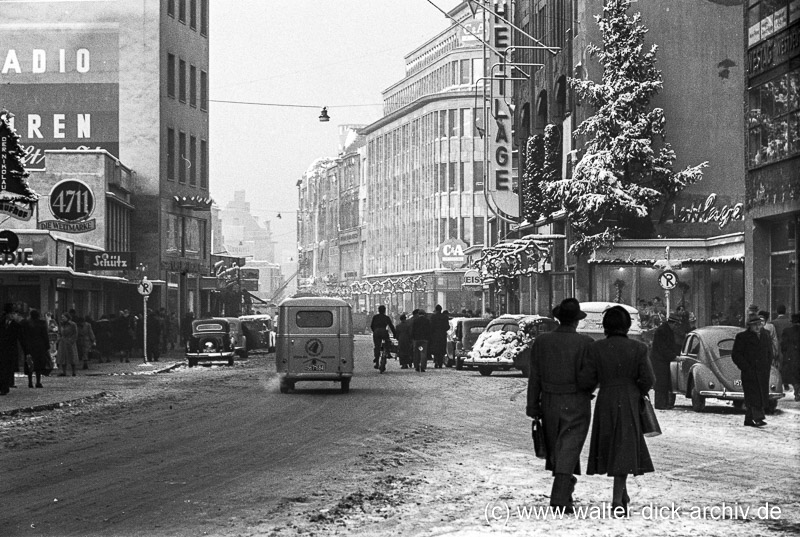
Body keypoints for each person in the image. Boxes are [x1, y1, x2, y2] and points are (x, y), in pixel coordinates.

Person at [578, 305, 656, 518]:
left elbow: (587, 379)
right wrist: (636, 390)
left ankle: (622, 494)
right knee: (624, 448)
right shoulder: (639, 348)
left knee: (612, 446)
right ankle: (617, 500)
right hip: (629, 399)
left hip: (606, 400)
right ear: (627, 325)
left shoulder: (596, 349)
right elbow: (648, 379)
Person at [526, 298, 594, 514]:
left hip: (549, 401)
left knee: (558, 447)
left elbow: (534, 376)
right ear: (576, 321)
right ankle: (560, 496)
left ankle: (566, 491)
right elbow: (590, 378)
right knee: (570, 447)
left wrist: (532, 404)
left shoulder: (542, 342)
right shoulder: (586, 343)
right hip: (577, 400)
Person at [731, 313, 773, 427]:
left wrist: (768, 365)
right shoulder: (742, 337)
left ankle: (749, 419)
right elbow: (736, 355)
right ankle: (758, 418)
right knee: (753, 395)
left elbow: (770, 352)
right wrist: (746, 367)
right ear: (749, 326)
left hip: (763, 371)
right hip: (750, 371)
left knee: (759, 395)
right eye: (754, 325)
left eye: (759, 324)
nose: (757, 327)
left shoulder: (766, 335)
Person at [650, 312, 683, 410]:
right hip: (659, 360)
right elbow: (663, 348)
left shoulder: (667, 330)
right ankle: (660, 404)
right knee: (661, 382)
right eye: (676, 325)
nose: (676, 327)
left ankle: (664, 403)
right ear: (672, 323)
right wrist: (674, 357)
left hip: (663, 360)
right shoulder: (662, 331)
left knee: (665, 382)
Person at [21, 309, 50, 388]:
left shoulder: (26, 323)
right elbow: (45, 335)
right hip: (40, 346)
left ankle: (30, 382)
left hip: (29, 346)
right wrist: (47, 346)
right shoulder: (42, 323)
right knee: (38, 365)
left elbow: (23, 335)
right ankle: (38, 382)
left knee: (30, 364)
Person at [0, 303, 24, 395]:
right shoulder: (1, 323)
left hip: (10, 351)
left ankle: (4, 387)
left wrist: (27, 352)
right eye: (11, 313)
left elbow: (22, 339)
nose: (13, 315)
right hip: (2, 350)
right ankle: (3, 386)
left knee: (7, 369)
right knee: (2, 369)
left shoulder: (16, 326)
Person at [370, 305, 397, 371]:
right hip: (384, 331)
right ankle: (387, 353)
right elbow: (391, 326)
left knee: (377, 346)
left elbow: (371, 325)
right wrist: (394, 334)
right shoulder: (386, 317)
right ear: (384, 310)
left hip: (376, 331)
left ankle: (376, 361)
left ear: (378, 310)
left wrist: (375, 331)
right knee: (387, 342)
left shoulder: (375, 317)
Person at [780, 314, 800, 399]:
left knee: (794, 374)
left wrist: (785, 354)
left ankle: (796, 392)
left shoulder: (787, 331)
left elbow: (783, 345)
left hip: (792, 356)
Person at [56, 312, 79, 377]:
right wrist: (59, 339)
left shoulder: (72, 324)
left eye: (63, 317)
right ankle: (64, 372)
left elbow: (75, 333)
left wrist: (71, 341)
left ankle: (74, 372)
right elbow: (59, 332)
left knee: (72, 357)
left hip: (70, 342)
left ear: (67, 317)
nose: (62, 318)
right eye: (61, 317)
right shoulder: (61, 324)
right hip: (63, 342)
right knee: (63, 357)